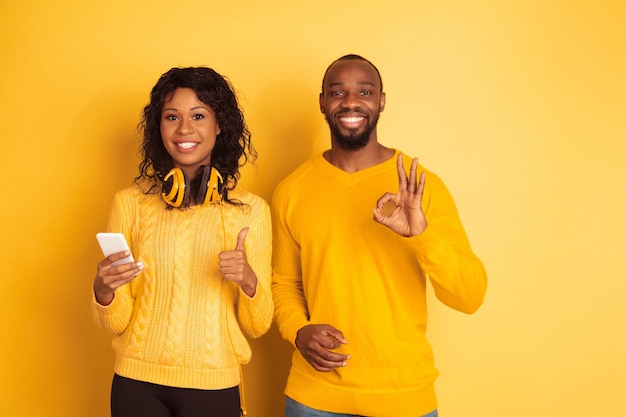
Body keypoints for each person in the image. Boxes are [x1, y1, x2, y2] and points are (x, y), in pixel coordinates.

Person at [271, 54, 488, 417]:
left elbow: (470, 296)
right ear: (322, 102)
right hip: (313, 399)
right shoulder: (292, 189)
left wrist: (421, 234)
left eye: (364, 91)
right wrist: (298, 331)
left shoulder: (421, 188)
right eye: (338, 92)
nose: (351, 102)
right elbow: (284, 284)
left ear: (381, 101)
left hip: (403, 398)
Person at [92, 67, 273, 417]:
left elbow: (258, 325)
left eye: (199, 116)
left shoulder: (251, 211)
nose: (184, 129)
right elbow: (115, 322)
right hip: (136, 384)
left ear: (219, 126)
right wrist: (104, 291)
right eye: (172, 116)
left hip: (214, 385)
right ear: (158, 127)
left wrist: (248, 280)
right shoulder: (130, 203)